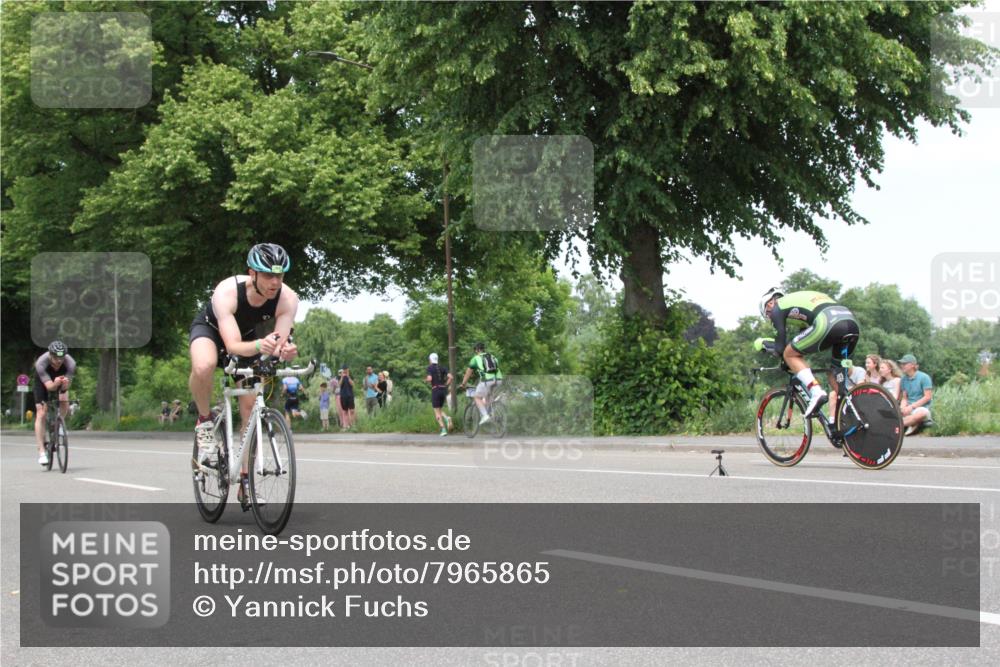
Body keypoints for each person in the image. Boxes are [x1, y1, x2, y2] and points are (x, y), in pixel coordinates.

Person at [188, 243, 299, 508]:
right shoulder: (227, 291)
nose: (275, 282)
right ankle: (204, 420)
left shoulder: (288, 299)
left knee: (251, 408)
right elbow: (233, 346)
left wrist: (285, 350)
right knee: (204, 365)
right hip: (212, 331)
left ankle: (245, 484)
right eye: (268, 275)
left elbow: (279, 342)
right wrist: (262, 345)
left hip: (249, 338)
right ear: (252, 273)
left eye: (280, 275)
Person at [758, 288, 860, 418]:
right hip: (851, 322)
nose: (771, 317)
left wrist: (764, 344)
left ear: (769, 304)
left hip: (827, 321)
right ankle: (853, 414)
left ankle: (816, 391)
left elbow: (780, 348)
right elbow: (801, 342)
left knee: (788, 354)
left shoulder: (778, 307)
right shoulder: (797, 304)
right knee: (833, 375)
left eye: (768, 315)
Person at [33, 341, 76, 466]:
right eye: (56, 358)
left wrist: (64, 385)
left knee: (64, 400)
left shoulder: (70, 363)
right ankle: (41, 452)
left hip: (60, 377)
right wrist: (55, 383)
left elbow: (65, 388)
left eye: (61, 358)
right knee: (41, 413)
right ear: (50, 355)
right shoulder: (41, 363)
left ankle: (60, 424)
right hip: (43, 382)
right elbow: (50, 387)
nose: (59, 361)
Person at [460, 342, 503, 425]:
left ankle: (485, 416)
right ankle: (491, 413)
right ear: (483, 349)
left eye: (475, 350)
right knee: (487, 398)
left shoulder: (476, 358)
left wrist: (463, 384)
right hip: (498, 379)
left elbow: (468, 373)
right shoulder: (493, 356)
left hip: (487, 380)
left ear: (477, 350)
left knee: (477, 397)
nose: (475, 352)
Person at [898, 354, 933, 435]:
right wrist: (902, 408)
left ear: (912, 365)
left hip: (921, 408)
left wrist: (911, 407)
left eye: (904, 364)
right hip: (908, 408)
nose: (902, 366)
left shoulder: (924, 377)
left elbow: (927, 397)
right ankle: (910, 424)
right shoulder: (903, 379)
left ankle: (898, 424)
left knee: (922, 414)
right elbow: (904, 398)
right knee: (896, 412)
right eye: (901, 364)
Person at [426, 352, 453, 436]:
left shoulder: (430, 368)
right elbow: (451, 377)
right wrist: (446, 385)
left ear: (431, 360)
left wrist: (426, 379)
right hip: (443, 390)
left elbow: (430, 379)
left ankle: (443, 429)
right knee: (439, 409)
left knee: (436, 411)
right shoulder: (443, 367)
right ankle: (447, 418)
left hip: (435, 390)